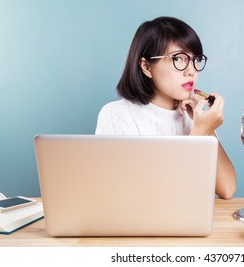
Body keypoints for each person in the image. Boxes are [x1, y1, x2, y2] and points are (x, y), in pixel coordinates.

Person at [95, 16, 236, 199]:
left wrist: (207, 130)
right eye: (179, 59)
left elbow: (227, 189)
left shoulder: (194, 118)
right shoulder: (117, 115)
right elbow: (139, 197)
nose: (191, 70)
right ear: (146, 67)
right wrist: (199, 133)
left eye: (196, 59)